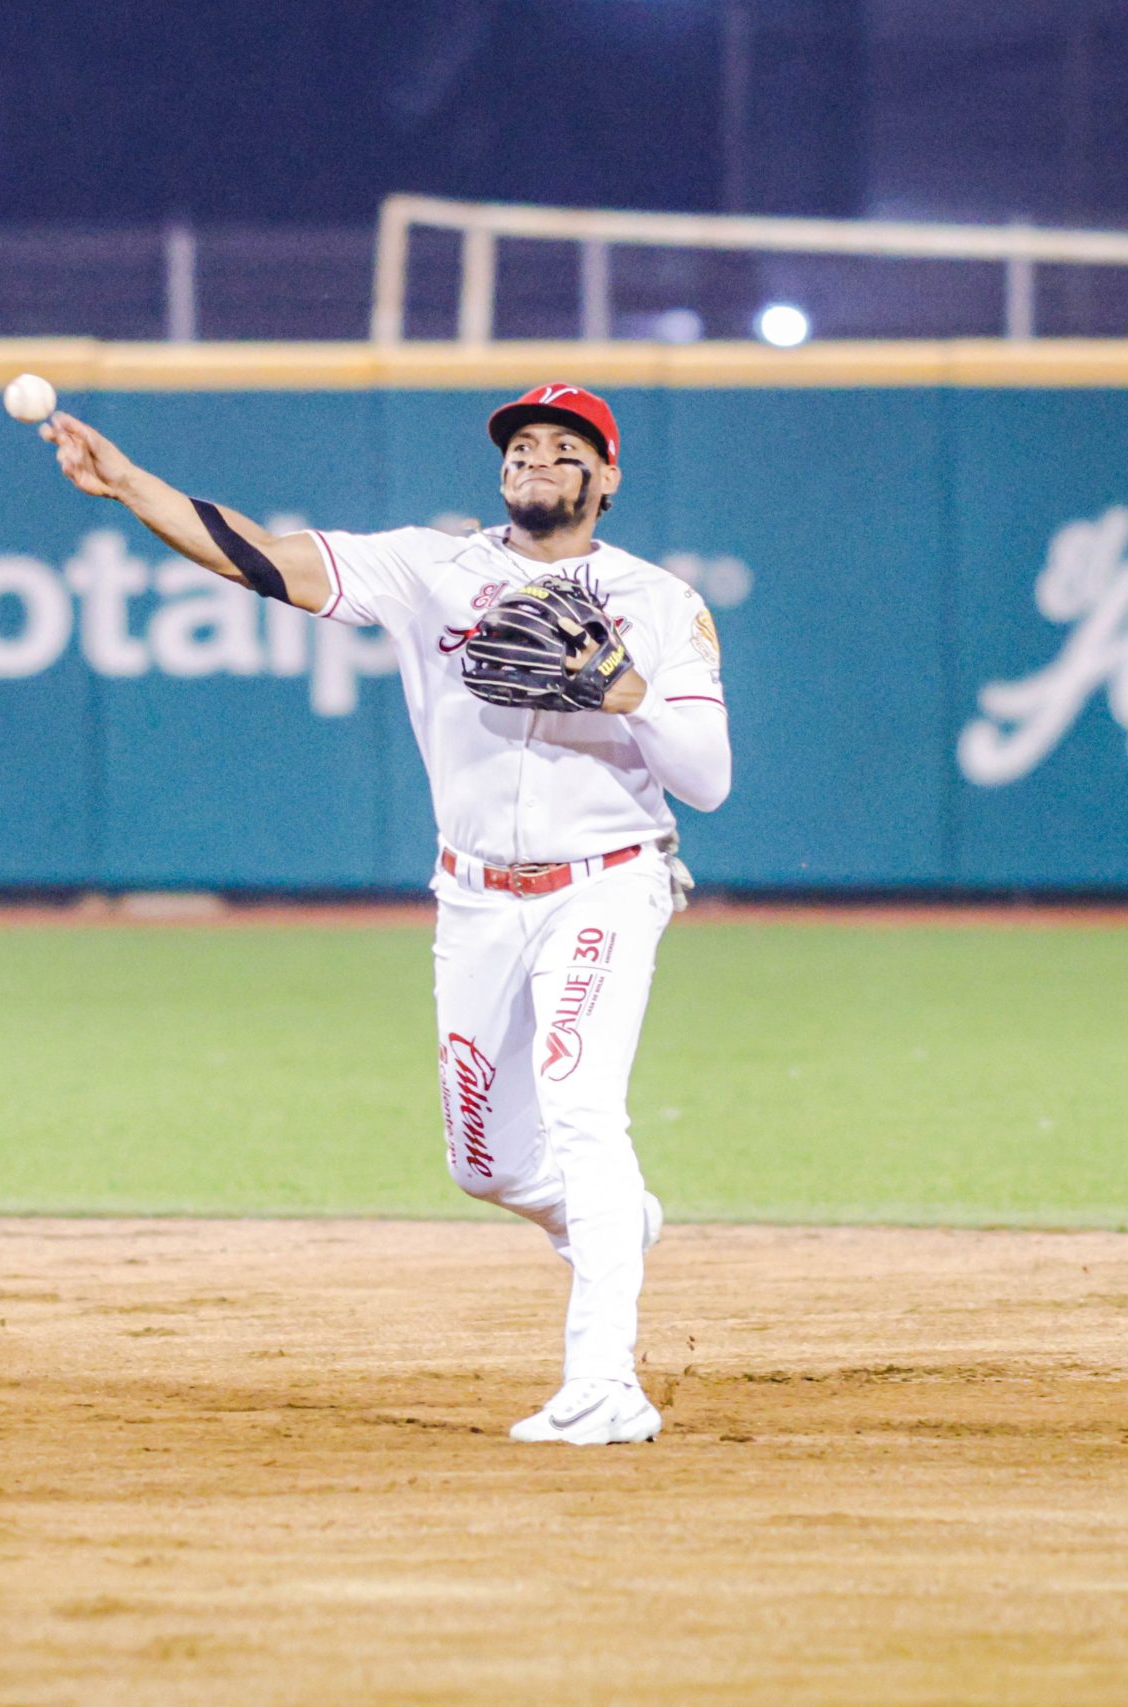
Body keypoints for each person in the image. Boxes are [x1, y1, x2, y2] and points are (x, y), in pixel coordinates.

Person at [43, 384, 733, 1445]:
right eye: (522, 444)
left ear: (607, 477)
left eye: (565, 447)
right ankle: (611, 1223)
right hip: (473, 894)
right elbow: (263, 558)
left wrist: (623, 693)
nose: (536, 458)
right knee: (485, 1164)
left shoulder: (656, 600)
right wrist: (128, 482)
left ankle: (606, 1383)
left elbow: (709, 781)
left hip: (606, 879)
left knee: (581, 1109)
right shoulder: (433, 568)